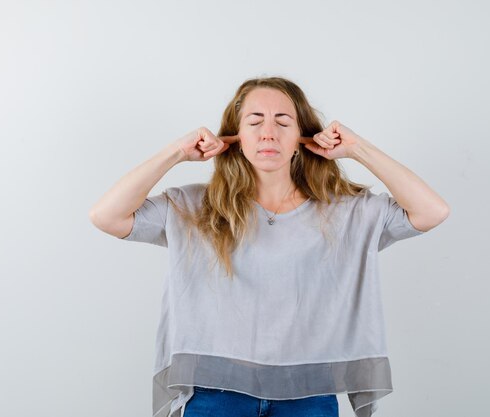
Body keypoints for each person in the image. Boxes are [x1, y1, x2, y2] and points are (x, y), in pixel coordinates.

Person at [89, 76, 449, 417]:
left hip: (308, 396)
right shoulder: (196, 206)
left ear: (302, 138)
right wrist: (176, 152)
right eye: (255, 121)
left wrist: (358, 150)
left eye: (283, 121)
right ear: (236, 137)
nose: (268, 132)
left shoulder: (346, 211)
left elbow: (432, 211)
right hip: (216, 395)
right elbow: (107, 216)